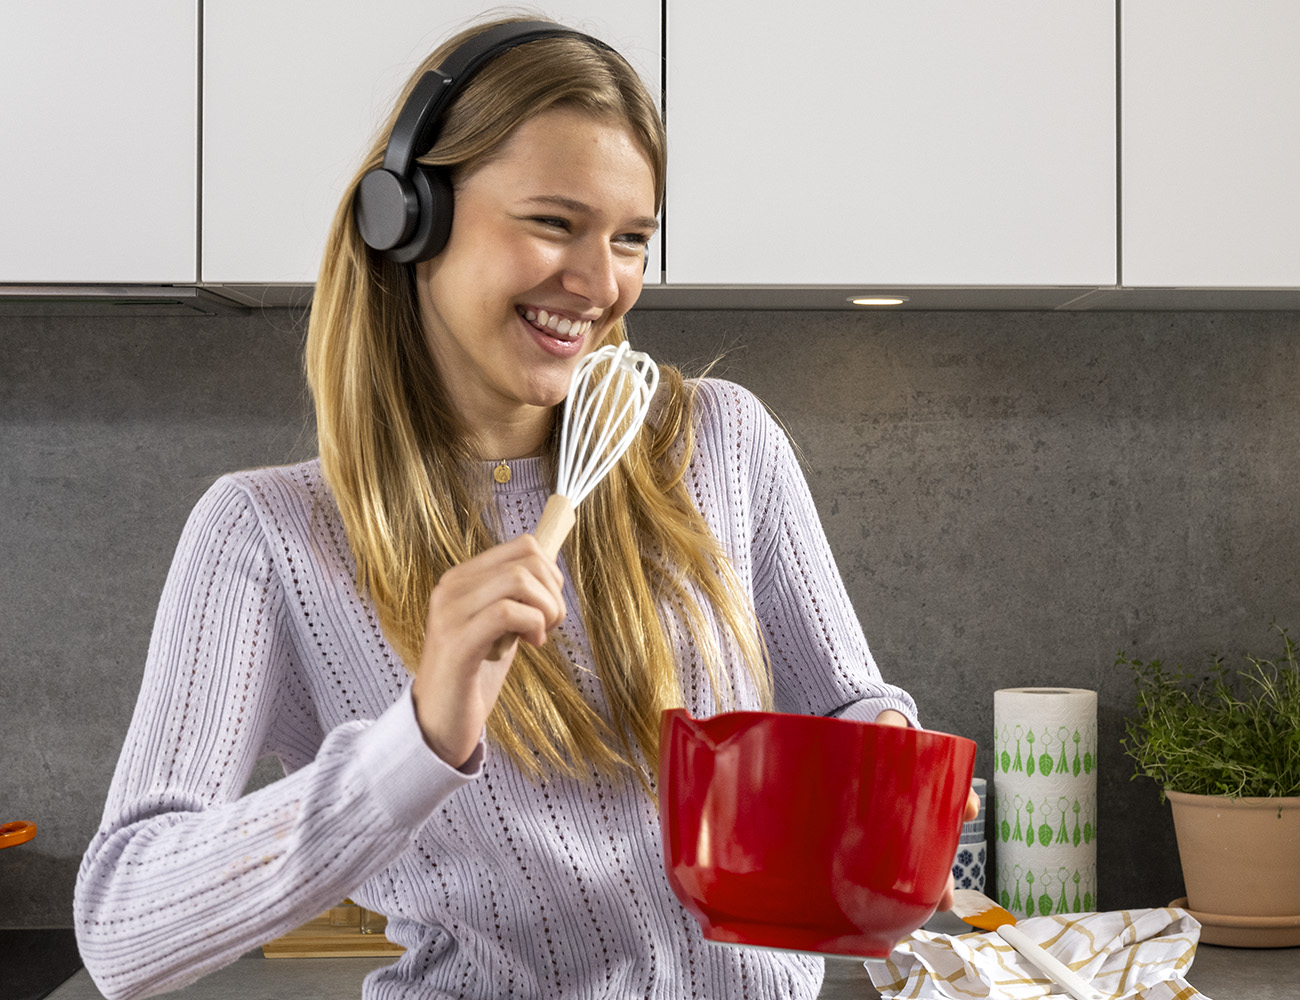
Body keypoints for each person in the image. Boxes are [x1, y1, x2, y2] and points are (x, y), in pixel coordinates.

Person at [74, 15, 973, 1000]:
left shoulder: (720, 442)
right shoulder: (269, 534)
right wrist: (414, 738)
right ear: (408, 218)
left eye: (630, 238)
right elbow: (122, 929)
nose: (598, 284)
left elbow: (848, 707)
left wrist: (885, 759)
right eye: (554, 222)